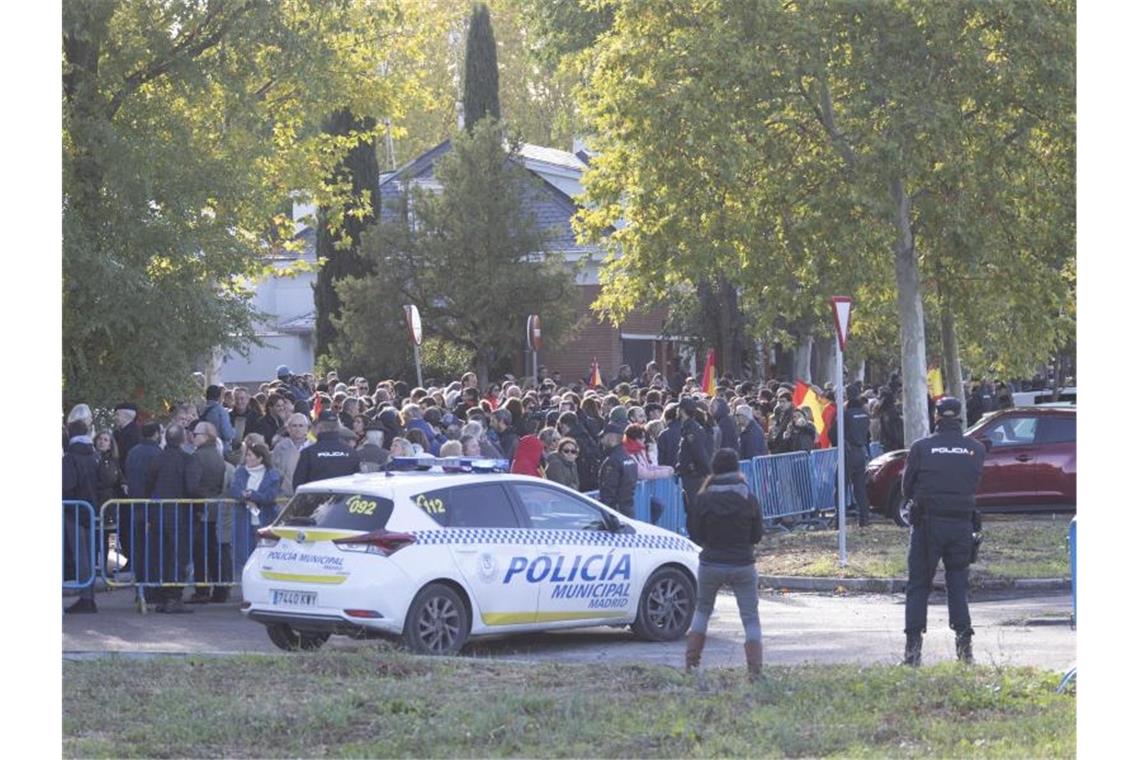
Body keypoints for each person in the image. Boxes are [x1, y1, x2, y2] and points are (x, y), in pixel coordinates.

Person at [900, 396, 986, 667]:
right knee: (958, 586)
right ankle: (965, 652)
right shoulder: (976, 449)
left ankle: (913, 654)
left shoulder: (922, 447)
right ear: (960, 416)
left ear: (936, 417)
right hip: (962, 526)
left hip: (927, 526)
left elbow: (906, 487)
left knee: (918, 586)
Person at [684, 448, 764, 681]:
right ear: (737, 469)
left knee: (702, 611)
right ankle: (755, 671)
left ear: (714, 470)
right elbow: (757, 535)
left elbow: (695, 533)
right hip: (742, 564)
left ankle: (691, 665)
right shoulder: (748, 497)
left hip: (711, 563)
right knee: (750, 617)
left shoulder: (703, 498)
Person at [146, 424, 202, 613]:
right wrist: (199, 507)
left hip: (159, 512)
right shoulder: (188, 460)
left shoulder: (156, 459)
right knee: (179, 555)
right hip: (181, 514)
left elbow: (150, 485)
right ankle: (174, 597)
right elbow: (193, 488)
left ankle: (164, 596)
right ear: (183, 439)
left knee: (162, 554)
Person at [63, 420, 100, 613]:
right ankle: (89, 596)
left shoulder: (70, 458)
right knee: (89, 555)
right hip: (92, 509)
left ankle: (86, 598)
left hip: (75, 511)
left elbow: (67, 486)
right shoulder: (94, 456)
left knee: (81, 556)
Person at [189, 421, 228, 604]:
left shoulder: (198, 457)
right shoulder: (218, 455)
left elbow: (192, 486)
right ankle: (220, 590)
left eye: (195, 434)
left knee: (200, 552)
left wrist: (195, 503)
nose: (192, 436)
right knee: (213, 551)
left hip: (201, 509)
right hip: (215, 508)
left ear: (206, 437)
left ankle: (202, 590)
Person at [229, 442, 282, 562]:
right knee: (243, 555)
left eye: (250, 455)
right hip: (243, 519)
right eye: (246, 455)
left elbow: (270, 496)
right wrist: (245, 498)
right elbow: (234, 489)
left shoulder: (272, 475)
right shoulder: (240, 472)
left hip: (264, 519)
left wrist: (253, 495)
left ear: (260, 458)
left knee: (264, 556)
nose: (246, 458)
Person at [292, 410, 361, 491]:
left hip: (316, 501)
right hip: (342, 501)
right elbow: (357, 484)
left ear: (319, 427)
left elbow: (298, 485)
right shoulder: (351, 453)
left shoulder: (308, 453)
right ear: (338, 427)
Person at [833, 386, 872, 527]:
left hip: (848, 453)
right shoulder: (865, 414)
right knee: (860, 488)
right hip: (861, 452)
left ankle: (839, 520)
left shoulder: (845, 414)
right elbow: (867, 436)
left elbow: (834, 434)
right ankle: (864, 518)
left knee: (840, 486)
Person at [675, 397, 712, 512]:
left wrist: (707, 471)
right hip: (691, 474)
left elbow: (698, 452)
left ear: (681, 410)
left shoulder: (692, 429)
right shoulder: (689, 427)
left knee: (694, 510)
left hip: (693, 476)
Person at [598, 423, 638, 517]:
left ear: (611, 438)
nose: (601, 441)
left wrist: (604, 515)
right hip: (628, 510)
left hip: (616, 514)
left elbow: (608, 492)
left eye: (603, 437)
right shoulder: (629, 459)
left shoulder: (613, 461)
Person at [271, 413, 310, 496]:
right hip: (284, 497)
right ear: (288, 429)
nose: (297, 429)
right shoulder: (280, 447)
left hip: (307, 496)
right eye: (294, 426)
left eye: (301, 426)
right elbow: (273, 471)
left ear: (307, 429)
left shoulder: (313, 447)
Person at [112, 402, 142, 470]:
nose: (115, 418)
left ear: (126, 416)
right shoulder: (117, 432)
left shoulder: (134, 433)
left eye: (117, 415)